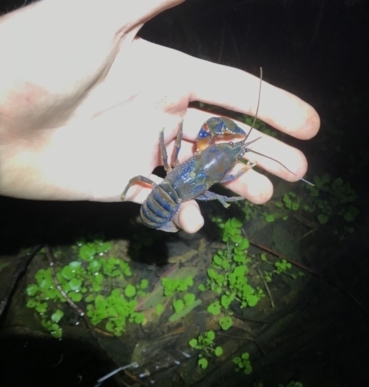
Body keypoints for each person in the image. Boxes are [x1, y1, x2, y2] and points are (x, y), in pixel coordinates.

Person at [0, 0, 319, 233]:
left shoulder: (198, 157)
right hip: (170, 194)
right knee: (225, 185)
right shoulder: (215, 173)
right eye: (231, 150)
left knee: (225, 179)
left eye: (230, 152)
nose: (229, 148)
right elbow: (225, 178)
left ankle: (142, 203)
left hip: (168, 195)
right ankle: (146, 207)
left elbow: (188, 151)